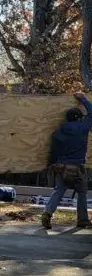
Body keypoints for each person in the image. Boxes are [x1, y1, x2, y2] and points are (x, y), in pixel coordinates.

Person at [40, 93, 92, 230]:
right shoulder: (83, 128)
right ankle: (83, 220)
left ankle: (47, 213)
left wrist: (51, 164)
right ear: (80, 119)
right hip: (78, 167)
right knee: (82, 193)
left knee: (59, 190)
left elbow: (54, 151)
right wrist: (83, 99)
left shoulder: (58, 132)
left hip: (61, 166)